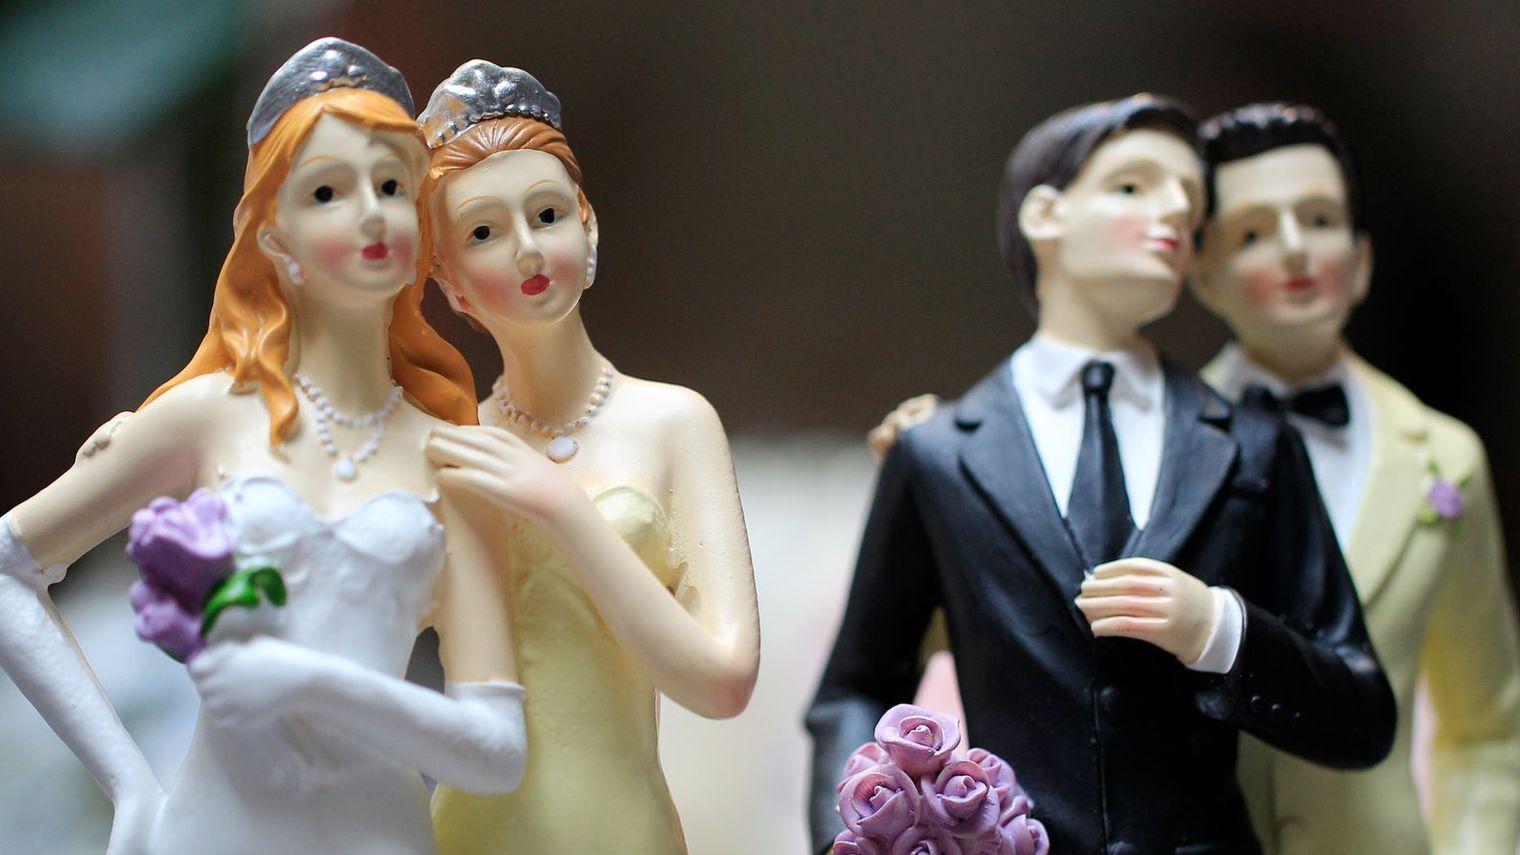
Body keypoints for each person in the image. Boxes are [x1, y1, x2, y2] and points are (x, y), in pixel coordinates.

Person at [806, 95, 1396, 854]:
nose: (1174, 212)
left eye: (1191, 205)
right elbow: (855, 686)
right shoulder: (940, 451)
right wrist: (862, 836)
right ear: (1046, 215)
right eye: (1132, 187)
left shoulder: (1252, 444)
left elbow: (1361, 707)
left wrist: (1220, 630)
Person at [0, 39, 527, 854]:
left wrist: (307, 680)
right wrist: (128, 780)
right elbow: (9, 563)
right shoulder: (209, 415)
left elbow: (495, 749)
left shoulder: (456, 457)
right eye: (328, 191)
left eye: (392, 186)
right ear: (275, 239)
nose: (371, 212)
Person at [414, 61, 760, 854]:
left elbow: (723, 679)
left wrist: (562, 508)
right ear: (450, 283)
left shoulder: (674, 423)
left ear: (588, 225)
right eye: (483, 233)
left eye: (547, 214)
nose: (527, 249)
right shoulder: (448, 446)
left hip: (624, 827)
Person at [1192, 102, 1520, 855]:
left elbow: (1486, 725)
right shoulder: (1153, 443)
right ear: (1204, 275)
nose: (1294, 249)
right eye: (1252, 233)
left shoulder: (1445, 459)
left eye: (1319, 220)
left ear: (1362, 258)